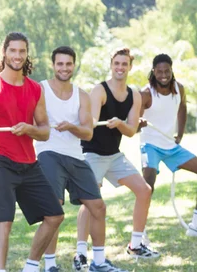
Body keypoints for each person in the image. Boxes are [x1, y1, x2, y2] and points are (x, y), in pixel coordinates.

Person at [0, 32, 64, 272]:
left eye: (22, 51)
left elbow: (45, 131)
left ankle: (31, 266)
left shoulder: (35, 89)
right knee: (4, 219)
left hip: (28, 161)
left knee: (55, 216)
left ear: (27, 53)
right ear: (4, 52)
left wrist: (30, 129)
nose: (17, 55)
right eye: (13, 50)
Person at [38, 46, 125, 272]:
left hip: (76, 156)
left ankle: (98, 262)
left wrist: (72, 127)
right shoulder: (41, 90)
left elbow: (88, 132)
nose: (64, 68)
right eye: (60, 64)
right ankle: (50, 265)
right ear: (53, 65)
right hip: (48, 153)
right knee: (54, 210)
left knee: (98, 206)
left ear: (73, 65)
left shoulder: (82, 95)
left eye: (68, 64)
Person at [77, 48, 158, 269]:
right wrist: (93, 121)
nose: (120, 68)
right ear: (111, 65)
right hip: (92, 153)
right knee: (90, 202)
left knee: (144, 190)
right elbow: (92, 122)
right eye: (116, 64)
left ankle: (135, 244)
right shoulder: (99, 90)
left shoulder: (134, 95)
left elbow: (131, 130)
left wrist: (120, 123)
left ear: (130, 66)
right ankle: (81, 253)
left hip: (114, 156)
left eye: (124, 64)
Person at [139, 53, 197, 237]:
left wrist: (179, 134)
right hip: (150, 146)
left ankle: (195, 224)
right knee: (148, 185)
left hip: (171, 147)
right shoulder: (146, 93)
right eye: (159, 71)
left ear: (172, 71)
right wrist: (138, 123)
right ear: (153, 72)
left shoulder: (179, 89)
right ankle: (140, 232)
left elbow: (182, 107)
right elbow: (134, 121)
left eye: (167, 71)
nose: (163, 75)